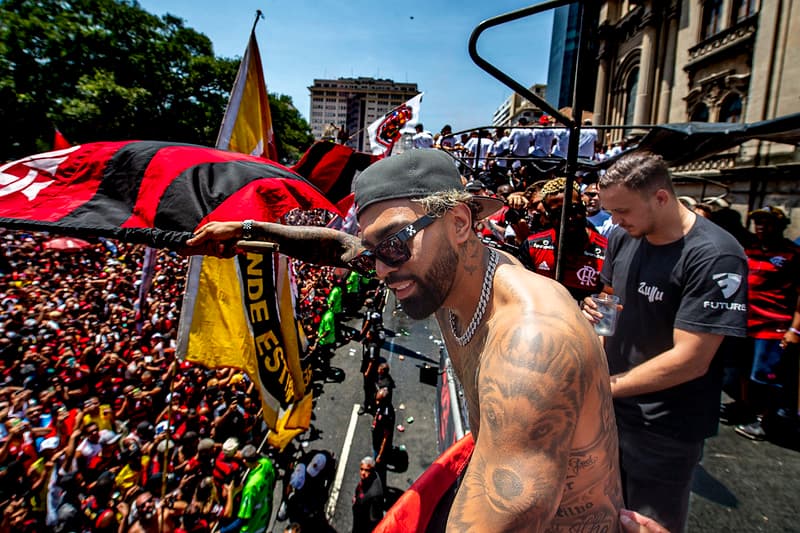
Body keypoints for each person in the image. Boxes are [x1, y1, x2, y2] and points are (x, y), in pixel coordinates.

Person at [184, 148, 624, 531]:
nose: (378, 269)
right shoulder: (461, 267)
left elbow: (507, 511)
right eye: (374, 250)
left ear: (459, 222)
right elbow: (343, 249)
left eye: (393, 244)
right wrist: (250, 233)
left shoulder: (531, 341)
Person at [581, 152, 748, 532]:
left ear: (661, 198)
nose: (614, 221)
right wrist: (594, 311)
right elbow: (610, 299)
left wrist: (606, 387)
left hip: (665, 427)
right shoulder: (623, 237)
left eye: (622, 210)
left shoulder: (715, 255)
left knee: (647, 525)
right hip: (610, 411)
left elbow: (691, 359)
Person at [733, 206, 800, 440]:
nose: (760, 225)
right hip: (745, 322)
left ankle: (766, 420)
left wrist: (794, 328)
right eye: (758, 221)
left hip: (773, 326)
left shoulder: (792, 254)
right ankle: (744, 408)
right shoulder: (748, 249)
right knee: (741, 371)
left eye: (767, 222)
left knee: (764, 376)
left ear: (780, 226)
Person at [520, 177, 607, 302]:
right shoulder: (532, 246)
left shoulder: (606, 250)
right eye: (558, 214)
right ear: (548, 215)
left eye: (574, 210)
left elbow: (609, 295)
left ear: (583, 206)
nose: (569, 218)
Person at [221, 444, 276, 533]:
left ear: (245, 461)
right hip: (265, 513)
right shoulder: (266, 463)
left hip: (253, 526)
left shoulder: (250, 487)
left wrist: (222, 531)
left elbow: (242, 519)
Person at [352, 457, 383, 533]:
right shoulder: (369, 478)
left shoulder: (374, 495)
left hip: (363, 525)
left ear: (372, 470)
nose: (363, 473)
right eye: (361, 469)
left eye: (366, 470)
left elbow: (374, 520)